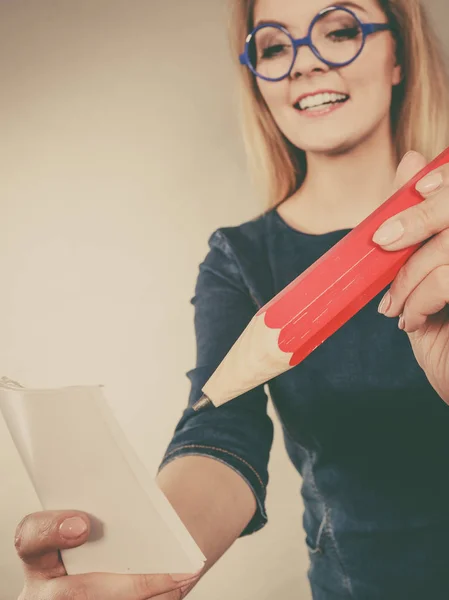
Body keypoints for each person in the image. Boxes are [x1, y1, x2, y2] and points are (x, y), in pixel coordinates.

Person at [14, 1, 449, 599]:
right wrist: (149, 561)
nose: (304, 64)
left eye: (340, 31)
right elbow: (219, 433)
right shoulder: (242, 260)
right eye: (274, 46)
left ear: (398, 56)